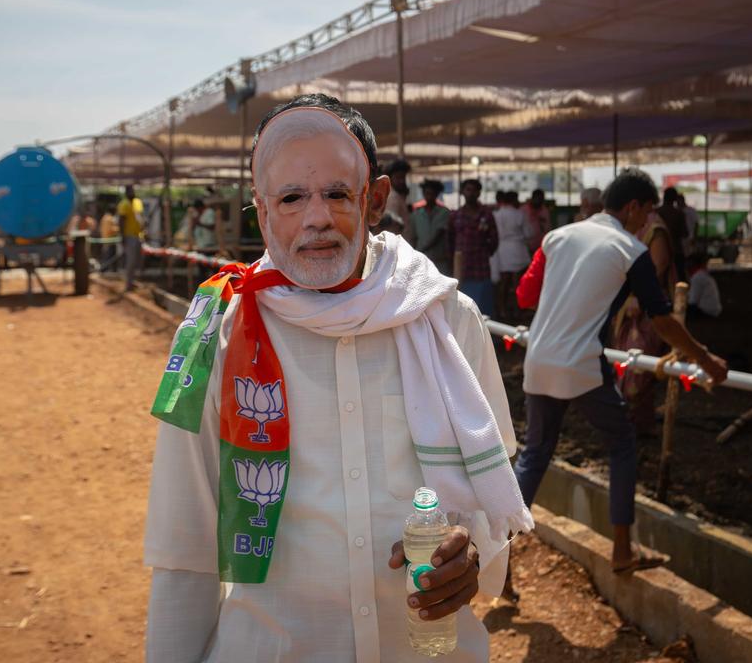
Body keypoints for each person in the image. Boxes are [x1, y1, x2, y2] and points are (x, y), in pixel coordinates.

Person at [145, 94, 532, 663]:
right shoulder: (219, 334)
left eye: (336, 194)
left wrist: (471, 552)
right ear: (262, 209)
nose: (316, 217)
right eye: (292, 197)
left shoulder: (447, 320)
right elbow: (186, 546)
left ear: (375, 200)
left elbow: (489, 488)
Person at [514, 167, 727, 576]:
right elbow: (662, 320)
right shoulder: (630, 249)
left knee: (535, 454)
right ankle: (623, 550)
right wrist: (705, 358)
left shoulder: (559, 236)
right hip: (581, 361)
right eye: (647, 213)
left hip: (539, 357)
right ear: (632, 207)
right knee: (623, 443)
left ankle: (497, 556)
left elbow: (531, 294)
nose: (648, 222)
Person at [610, 207, 677, 435]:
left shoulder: (654, 231)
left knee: (639, 371)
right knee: (626, 365)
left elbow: (658, 266)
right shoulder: (628, 228)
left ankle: (637, 423)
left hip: (645, 310)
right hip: (627, 309)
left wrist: (638, 297)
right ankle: (635, 423)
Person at [448, 178, 498, 316]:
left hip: (481, 268)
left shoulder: (486, 214)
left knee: (483, 309)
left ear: (479, 193)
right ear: (462, 192)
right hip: (462, 269)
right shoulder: (456, 215)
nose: (471, 193)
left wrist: (484, 251)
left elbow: (494, 240)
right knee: (463, 308)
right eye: (468, 189)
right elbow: (450, 241)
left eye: (474, 190)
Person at [491, 191, 532, 322]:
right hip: (517, 249)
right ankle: (517, 309)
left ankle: (501, 309)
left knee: (503, 282)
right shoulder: (520, 214)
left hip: (502, 249)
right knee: (518, 282)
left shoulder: (496, 214)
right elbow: (528, 232)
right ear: (514, 200)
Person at [410, 179, 451, 274]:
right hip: (421, 260)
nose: (430, 196)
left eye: (432, 193)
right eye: (427, 193)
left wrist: (422, 249)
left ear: (437, 194)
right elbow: (413, 237)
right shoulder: (416, 214)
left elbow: (439, 234)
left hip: (440, 260)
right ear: (423, 194)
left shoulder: (444, 213)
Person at [117, 185, 145, 292]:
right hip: (129, 236)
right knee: (131, 261)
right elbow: (121, 221)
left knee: (139, 260)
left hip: (139, 235)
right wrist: (122, 236)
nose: (132, 192)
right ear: (126, 192)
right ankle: (129, 284)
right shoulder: (124, 204)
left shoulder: (137, 202)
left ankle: (134, 282)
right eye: (130, 191)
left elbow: (140, 217)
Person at [656, 187, 688, 281]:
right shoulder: (679, 214)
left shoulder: (656, 212)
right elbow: (685, 233)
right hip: (676, 251)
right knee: (679, 283)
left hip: (659, 250)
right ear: (675, 199)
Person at [686, 254, 722, 319]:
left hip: (706, 311)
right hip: (713, 310)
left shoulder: (698, 277)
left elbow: (693, 301)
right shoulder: (702, 275)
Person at [384, 159, 412, 239]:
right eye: (398, 178)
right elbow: (392, 227)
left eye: (403, 177)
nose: (401, 181)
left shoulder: (399, 195)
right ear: (390, 178)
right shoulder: (393, 197)